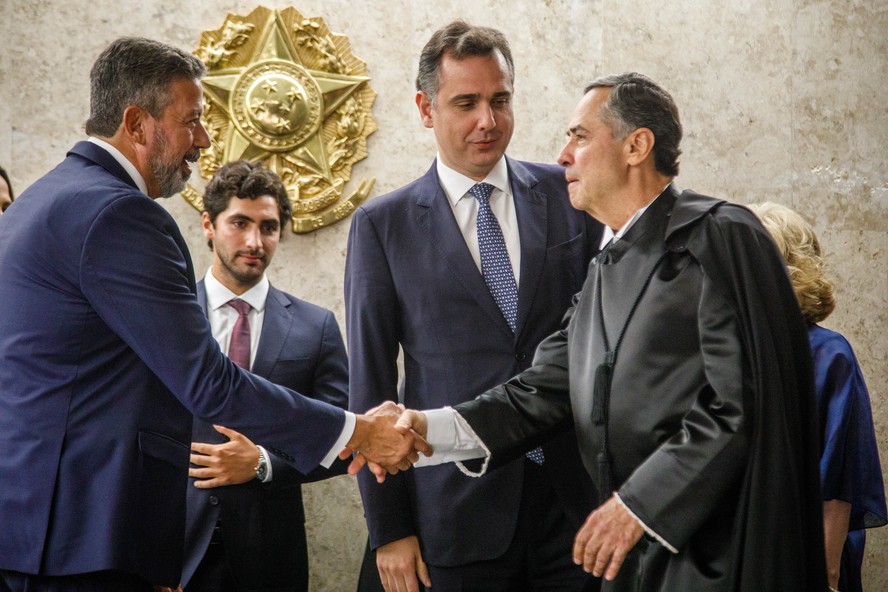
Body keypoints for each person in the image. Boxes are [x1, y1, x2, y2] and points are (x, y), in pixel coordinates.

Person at [369, 72, 829, 591]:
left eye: (580, 137)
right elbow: (541, 391)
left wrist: (637, 506)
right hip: (633, 556)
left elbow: (742, 403)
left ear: (637, 146)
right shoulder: (605, 266)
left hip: (718, 554)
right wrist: (424, 429)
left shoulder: (721, 234)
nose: (562, 155)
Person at [0, 37, 423, 592]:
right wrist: (359, 431)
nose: (202, 140)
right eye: (192, 120)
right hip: (78, 537)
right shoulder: (118, 214)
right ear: (137, 122)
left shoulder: (38, 200)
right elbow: (206, 382)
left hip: (38, 528)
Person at [345, 19, 602, 592]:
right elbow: (371, 386)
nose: (488, 120)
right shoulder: (381, 226)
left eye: (500, 100)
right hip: (453, 515)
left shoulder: (570, 196)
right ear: (425, 108)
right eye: (466, 103)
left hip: (576, 509)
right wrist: (389, 530)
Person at [179, 160, 350, 592]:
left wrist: (262, 464)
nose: (255, 241)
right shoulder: (169, 319)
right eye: (239, 222)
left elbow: (339, 438)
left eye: (269, 227)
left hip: (271, 556)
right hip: (171, 550)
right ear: (208, 225)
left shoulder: (317, 327)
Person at [749, 202, 886, 592]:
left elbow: (839, 485)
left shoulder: (830, 355)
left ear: (790, 271)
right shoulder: (733, 349)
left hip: (805, 555)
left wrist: (825, 576)